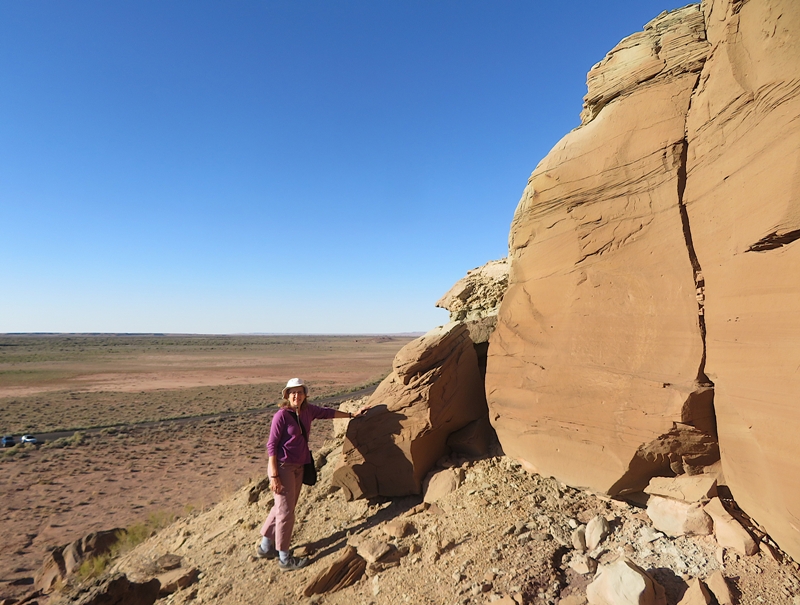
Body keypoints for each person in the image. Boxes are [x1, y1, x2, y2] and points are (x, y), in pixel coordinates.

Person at [257, 377, 368, 571]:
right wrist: (274, 475)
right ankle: (284, 558)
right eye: (293, 393)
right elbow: (272, 445)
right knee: (286, 512)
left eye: (299, 392)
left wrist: (352, 414)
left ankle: (266, 547)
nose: (296, 396)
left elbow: (327, 413)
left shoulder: (308, 411)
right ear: (287, 395)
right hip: (282, 467)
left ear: (304, 395)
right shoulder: (281, 416)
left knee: (283, 507)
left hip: (299, 467)